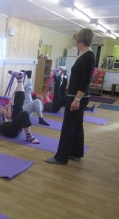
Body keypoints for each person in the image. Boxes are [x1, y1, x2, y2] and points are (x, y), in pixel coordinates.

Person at [45, 28, 95, 164]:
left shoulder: (88, 57)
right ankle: (76, 153)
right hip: (75, 96)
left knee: (68, 127)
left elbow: (85, 81)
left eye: (76, 41)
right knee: (77, 125)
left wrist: (77, 99)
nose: (75, 43)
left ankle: (61, 158)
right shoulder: (85, 55)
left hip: (77, 97)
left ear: (80, 41)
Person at [0, 71, 40, 144]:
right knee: (24, 114)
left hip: (11, 125)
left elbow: (9, 116)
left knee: (18, 106)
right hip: (9, 132)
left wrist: (6, 111)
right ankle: (29, 136)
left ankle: (19, 79)